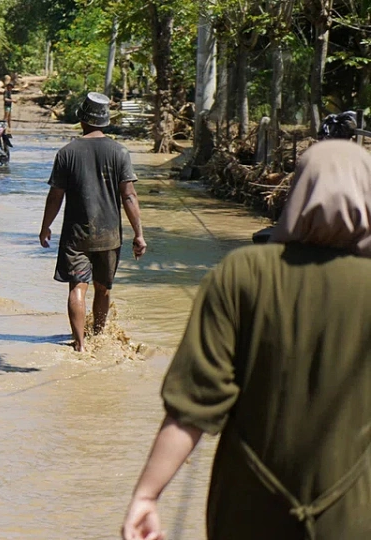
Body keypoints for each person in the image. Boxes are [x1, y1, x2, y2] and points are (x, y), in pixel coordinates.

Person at [122, 140, 371, 540]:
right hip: (355, 514)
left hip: (247, 511)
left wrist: (147, 495)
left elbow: (194, 404)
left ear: (299, 195)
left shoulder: (242, 273)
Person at [39, 92, 146, 352]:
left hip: (76, 235)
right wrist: (139, 234)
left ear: (82, 120)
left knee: (77, 287)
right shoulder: (119, 152)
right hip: (110, 234)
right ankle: (98, 337)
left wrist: (45, 227)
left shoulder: (67, 153)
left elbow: (55, 196)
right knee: (103, 289)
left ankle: (80, 344)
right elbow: (129, 196)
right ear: (105, 121)